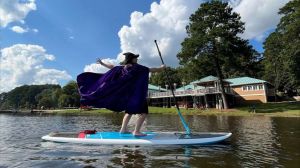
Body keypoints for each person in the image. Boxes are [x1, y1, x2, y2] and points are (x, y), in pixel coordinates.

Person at [93, 52, 165, 136]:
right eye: (135, 58)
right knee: (144, 113)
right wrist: (162, 68)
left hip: (128, 96)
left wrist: (102, 63)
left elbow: (112, 67)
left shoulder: (123, 68)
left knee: (129, 112)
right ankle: (136, 131)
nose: (137, 59)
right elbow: (153, 70)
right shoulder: (138, 68)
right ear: (132, 59)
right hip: (138, 95)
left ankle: (123, 130)